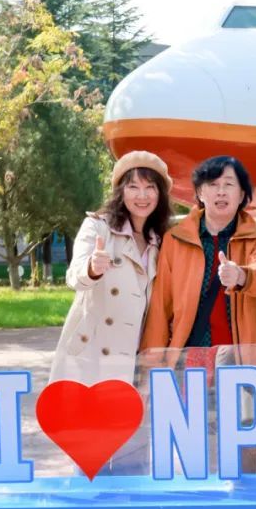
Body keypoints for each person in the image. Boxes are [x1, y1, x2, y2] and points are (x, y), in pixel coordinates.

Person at [141, 156, 256, 474]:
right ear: (199, 193)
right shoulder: (176, 239)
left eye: (229, 184)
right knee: (198, 446)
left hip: (241, 359)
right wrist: (151, 366)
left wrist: (241, 275)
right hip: (193, 357)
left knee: (245, 447)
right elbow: (161, 307)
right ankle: (206, 502)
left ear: (242, 195)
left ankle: (242, 501)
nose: (220, 192)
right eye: (212, 185)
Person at [49, 150, 171, 387]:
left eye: (150, 187)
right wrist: (92, 269)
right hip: (92, 354)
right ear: (121, 191)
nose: (142, 195)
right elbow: (74, 277)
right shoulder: (97, 226)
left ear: (160, 194)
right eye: (133, 187)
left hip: (135, 356)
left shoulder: (161, 239)